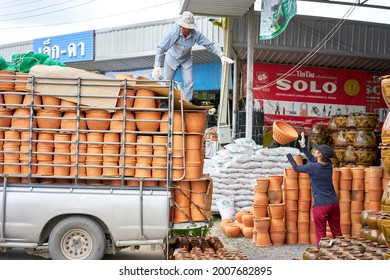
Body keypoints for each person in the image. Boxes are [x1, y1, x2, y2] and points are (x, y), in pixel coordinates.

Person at [152, 11, 234, 103]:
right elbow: (161, 48)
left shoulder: (196, 35)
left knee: (189, 82)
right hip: (171, 59)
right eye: (181, 25)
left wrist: (221, 55)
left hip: (186, 60)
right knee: (166, 82)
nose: (181, 27)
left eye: (184, 26)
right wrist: (157, 66)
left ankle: (187, 104)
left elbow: (210, 45)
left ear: (189, 28)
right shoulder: (174, 32)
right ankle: (164, 103)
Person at [284, 132, 342, 246]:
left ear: (320, 154)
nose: (314, 150)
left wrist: (288, 155)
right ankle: (342, 253)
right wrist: (304, 147)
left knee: (321, 234)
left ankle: (322, 256)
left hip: (321, 206)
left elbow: (296, 168)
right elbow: (313, 159)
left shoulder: (312, 167)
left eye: (316, 150)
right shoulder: (329, 164)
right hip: (334, 203)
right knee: (337, 233)